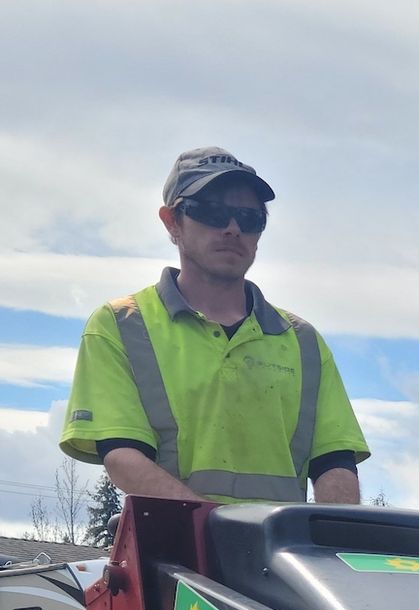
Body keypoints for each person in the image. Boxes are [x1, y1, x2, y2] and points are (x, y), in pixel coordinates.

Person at [59, 147, 369, 506]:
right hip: (168, 553)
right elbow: (123, 456)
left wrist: (331, 540)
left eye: (250, 218)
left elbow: (336, 463)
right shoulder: (120, 326)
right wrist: (219, 532)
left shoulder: (303, 342)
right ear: (172, 222)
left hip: (281, 558)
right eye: (212, 212)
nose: (233, 228)